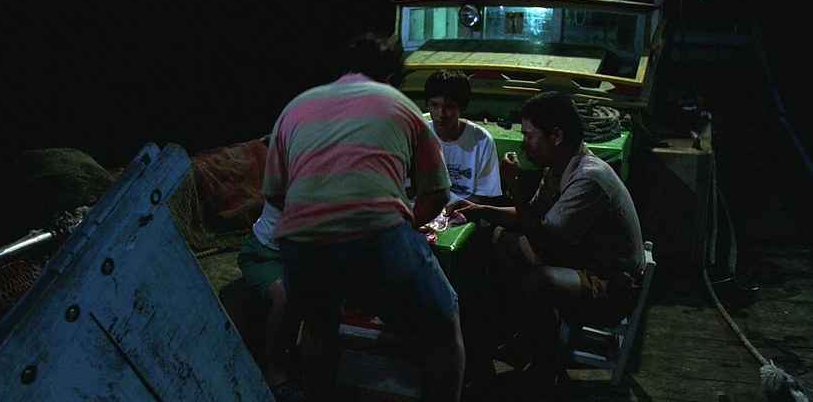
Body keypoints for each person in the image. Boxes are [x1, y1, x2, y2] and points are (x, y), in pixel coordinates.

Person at [262, 32, 465, 402]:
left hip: (301, 241)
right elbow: (437, 193)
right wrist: (403, 221)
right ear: (390, 78)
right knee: (442, 323)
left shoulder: (295, 107)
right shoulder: (399, 105)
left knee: (319, 327)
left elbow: (275, 193)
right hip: (377, 236)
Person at [446, 91, 646, 387]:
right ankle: (532, 332)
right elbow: (529, 216)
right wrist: (479, 210)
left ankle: (543, 364)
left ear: (556, 136)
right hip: (580, 260)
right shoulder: (557, 167)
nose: (523, 144)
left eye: (529, 136)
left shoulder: (588, 178)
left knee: (536, 279)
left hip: (613, 285)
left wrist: (513, 185)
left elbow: (542, 244)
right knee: (500, 237)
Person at [237, 200, 308, 402]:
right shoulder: (292, 183)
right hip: (266, 254)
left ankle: (307, 366)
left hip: (303, 254)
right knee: (285, 296)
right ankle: (275, 370)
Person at [424, 69, 502, 204]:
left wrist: (453, 207)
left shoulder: (481, 140)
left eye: (449, 107)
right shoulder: (418, 135)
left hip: (466, 211)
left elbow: (484, 197)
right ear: (427, 105)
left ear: (462, 108)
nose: (441, 114)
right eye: (435, 105)